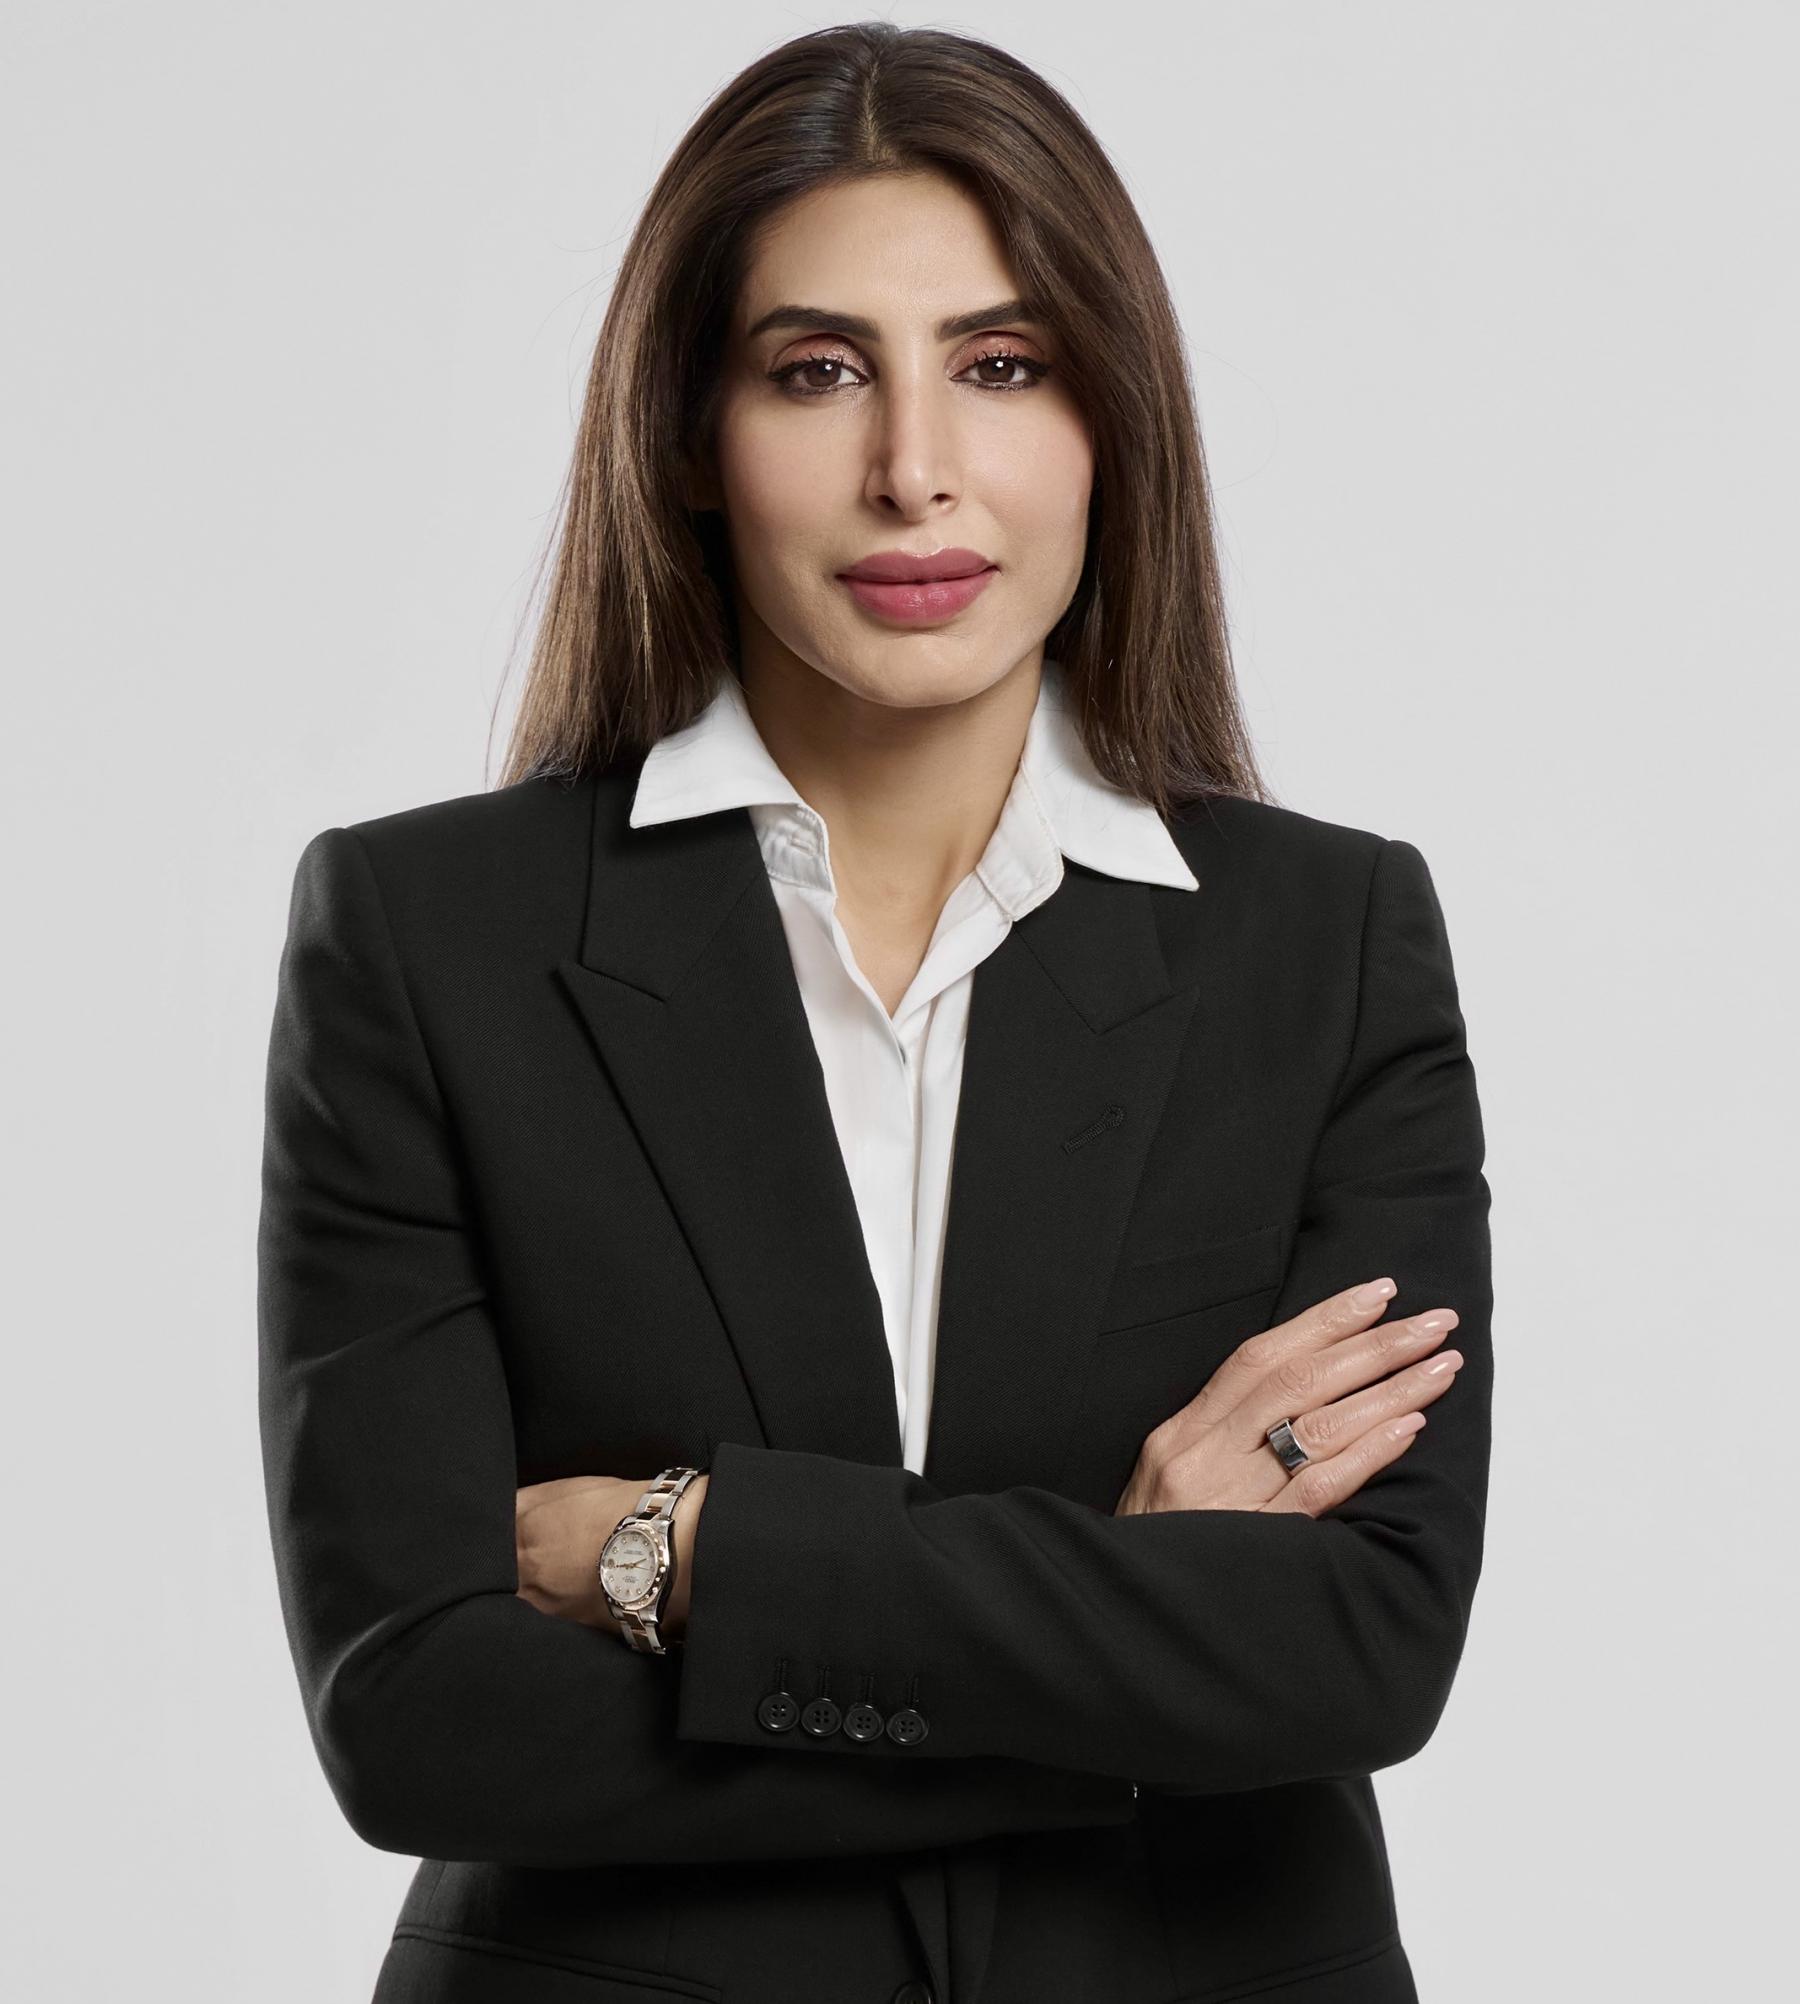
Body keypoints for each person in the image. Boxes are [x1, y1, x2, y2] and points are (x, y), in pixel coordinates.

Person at [257, 22, 1491, 2004]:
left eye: (1000, 366)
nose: (915, 468)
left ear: (1110, 425)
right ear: (691, 433)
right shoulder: (428, 937)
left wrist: (696, 1559)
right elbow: (420, 1716)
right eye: (816, 370)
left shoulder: (1324, 943)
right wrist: (1127, 1616)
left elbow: (1361, 1650)